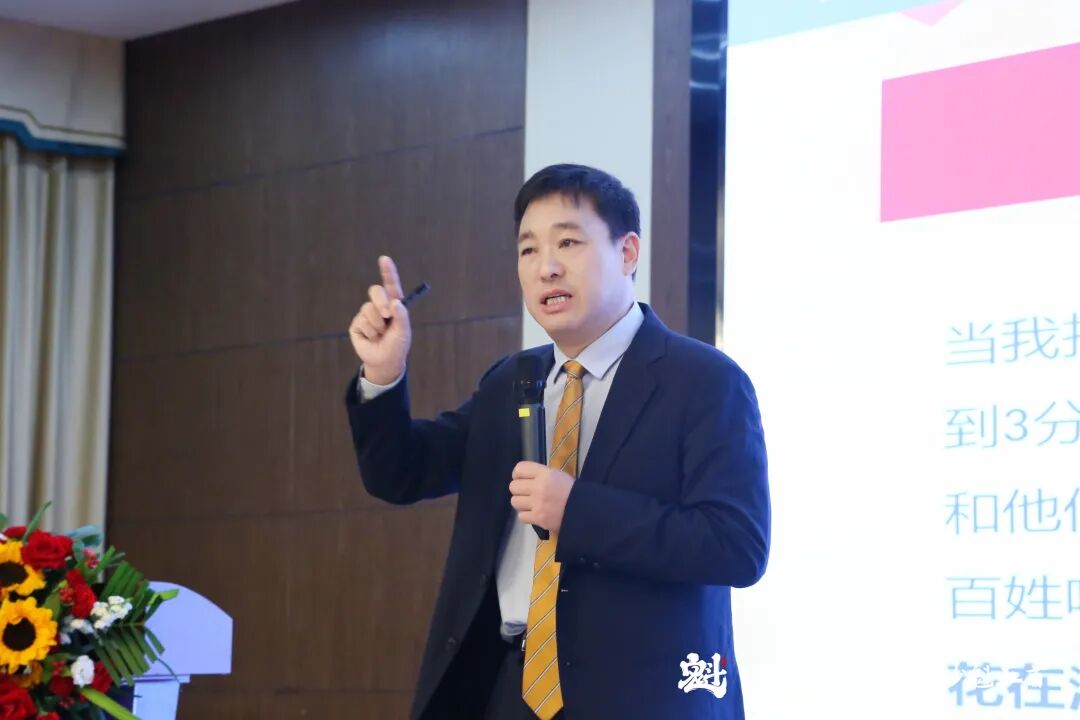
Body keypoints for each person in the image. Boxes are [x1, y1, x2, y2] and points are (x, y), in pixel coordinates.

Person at [345, 164, 770, 719]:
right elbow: (401, 474)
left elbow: (737, 545)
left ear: (628, 252)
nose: (546, 267)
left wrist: (577, 511)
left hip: (639, 698)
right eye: (528, 249)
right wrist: (382, 376)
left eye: (568, 242)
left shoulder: (704, 381)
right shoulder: (510, 382)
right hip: (505, 689)